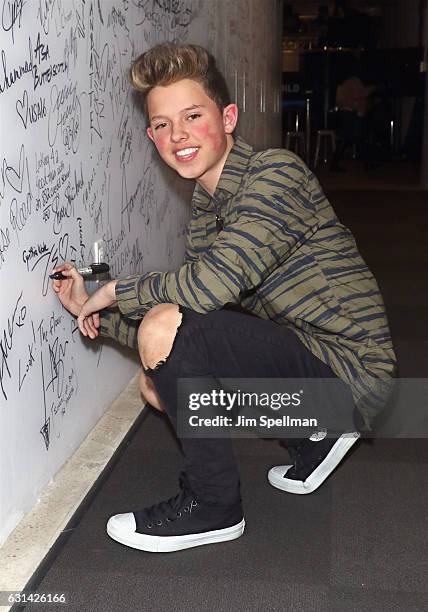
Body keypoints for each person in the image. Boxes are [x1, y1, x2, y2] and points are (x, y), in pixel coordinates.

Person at [52, 43, 396, 554]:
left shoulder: (274, 175)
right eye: (163, 125)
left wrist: (115, 292)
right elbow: (182, 332)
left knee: (168, 332)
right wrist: (92, 313)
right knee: (158, 383)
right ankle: (314, 437)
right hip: (309, 361)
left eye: (193, 116)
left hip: (353, 372)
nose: (179, 136)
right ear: (151, 136)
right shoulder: (208, 209)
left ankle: (214, 506)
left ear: (228, 116)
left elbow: (204, 291)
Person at [330, 73, 378, 172]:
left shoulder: (343, 84)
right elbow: (361, 93)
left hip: (345, 113)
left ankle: (335, 163)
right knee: (355, 138)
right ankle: (367, 163)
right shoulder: (354, 81)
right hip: (349, 113)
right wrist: (372, 88)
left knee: (348, 139)